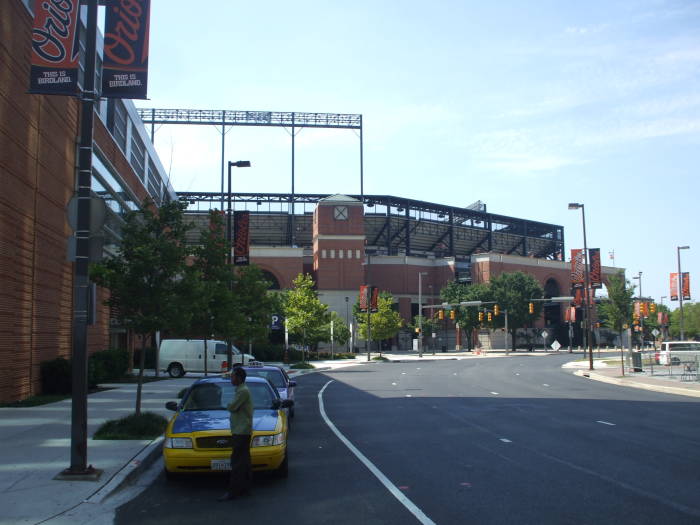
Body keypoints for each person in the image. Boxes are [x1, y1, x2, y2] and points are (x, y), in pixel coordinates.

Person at [218, 367, 253, 501]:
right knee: (244, 460)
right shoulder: (241, 390)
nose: (231, 379)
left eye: (233, 376)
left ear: (239, 378)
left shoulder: (243, 391)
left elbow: (233, 407)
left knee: (237, 461)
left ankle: (233, 491)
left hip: (241, 430)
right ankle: (245, 487)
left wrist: (226, 404)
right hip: (241, 429)